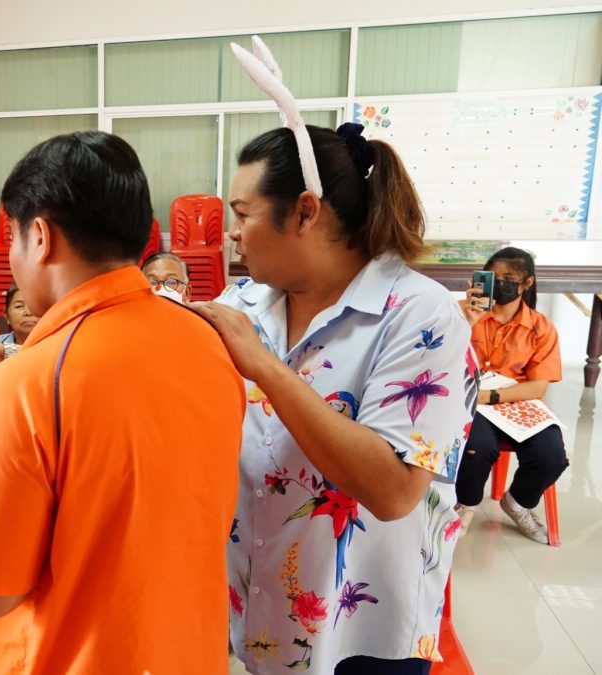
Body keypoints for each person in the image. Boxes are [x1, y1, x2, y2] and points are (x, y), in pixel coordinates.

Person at [0, 131, 245, 674]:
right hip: (189, 650)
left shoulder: (21, 388)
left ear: (40, 237)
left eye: (13, 239)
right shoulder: (208, 341)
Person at [192, 120, 475, 675]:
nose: (231, 232)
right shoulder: (245, 301)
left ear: (304, 211)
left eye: (242, 214)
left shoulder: (419, 314)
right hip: (253, 606)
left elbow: (393, 490)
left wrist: (266, 368)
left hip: (359, 626)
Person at [454, 247, 567, 543]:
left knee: (552, 456)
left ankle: (518, 502)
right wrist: (468, 320)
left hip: (515, 401)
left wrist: (489, 396)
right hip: (469, 398)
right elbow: (436, 358)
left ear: (526, 283)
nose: (500, 283)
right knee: (475, 447)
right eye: (493, 277)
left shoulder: (541, 328)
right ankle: (465, 505)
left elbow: (537, 387)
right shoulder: (462, 312)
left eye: (509, 278)